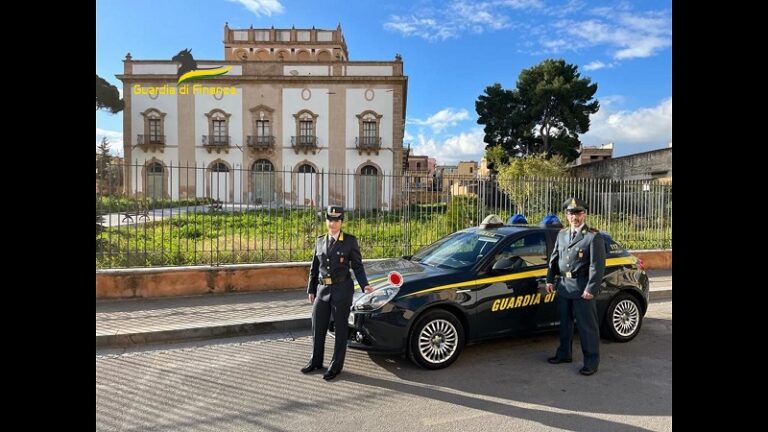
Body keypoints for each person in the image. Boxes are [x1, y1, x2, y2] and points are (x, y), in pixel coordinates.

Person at [301, 205, 374, 381]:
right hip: (322, 291)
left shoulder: (349, 241)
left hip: (342, 291)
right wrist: (311, 289)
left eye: (336, 220)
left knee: (341, 330)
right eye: (330, 220)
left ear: (341, 222)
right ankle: (316, 361)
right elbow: (315, 267)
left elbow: (357, 266)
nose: (332, 223)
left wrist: (365, 285)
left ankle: (336, 366)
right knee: (317, 327)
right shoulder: (320, 241)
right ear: (326, 221)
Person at [545, 197, 606, 376]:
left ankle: (591, 361)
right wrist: (550, 279)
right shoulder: (562, 234)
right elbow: (554, 259)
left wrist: (591, 289)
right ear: (566, 215)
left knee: (587, 327)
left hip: (582, 289)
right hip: (564, 286)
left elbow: (597, 266)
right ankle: (564, 354)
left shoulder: (593, 237)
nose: (575, 217)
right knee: (565, 324)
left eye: (578, 213)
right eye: (571, 213)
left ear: (584, 214)